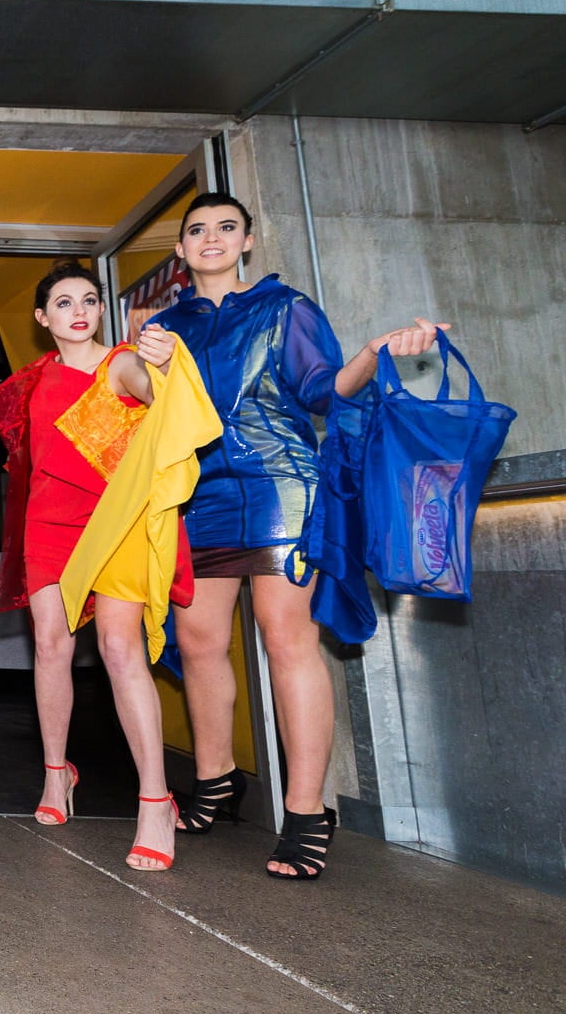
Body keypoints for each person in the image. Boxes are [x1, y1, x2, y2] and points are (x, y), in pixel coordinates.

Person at [145, 192, 446, 881]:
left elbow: (324, 389)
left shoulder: (287, 308)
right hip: (199, 493)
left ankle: (309, 810)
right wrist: (143, 357)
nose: (212, 238)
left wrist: (373, 351)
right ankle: (218, 778)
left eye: (226, 228)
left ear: (247, 241)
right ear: (181, 252)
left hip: (282, 485)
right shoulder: (167, 325)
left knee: (287, 640)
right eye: (198, 231)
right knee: (195, 640)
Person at [0, 261, 183, 872]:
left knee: (120, 650)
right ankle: (55, 774)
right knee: (51, 647)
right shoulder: (35, 380)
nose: (79, 310)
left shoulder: (119, 362)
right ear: (43, 318)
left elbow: (153, 392)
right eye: (64, 302)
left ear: (102, 311)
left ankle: (156, 798)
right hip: (49, 522)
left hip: (113, 521)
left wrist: (163, 363)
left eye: (90, 300)